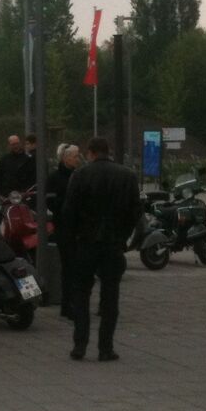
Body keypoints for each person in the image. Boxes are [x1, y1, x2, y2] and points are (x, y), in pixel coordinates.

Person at [59, 136, 142, 361]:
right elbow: (135, 212)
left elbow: (69, 212)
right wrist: (123, 237)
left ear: (91, 152)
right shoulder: (127, 176)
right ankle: (106, 348)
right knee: (110, 296)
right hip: (113, 244)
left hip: (86, 243)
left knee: (81, 294)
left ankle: (80, 344)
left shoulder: (80, 175)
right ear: (109, 151)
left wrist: (72, 241)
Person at [47, 143, 81, 315]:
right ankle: (67, 304)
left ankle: (73, 301)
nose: (78, 159)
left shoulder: (79, 175)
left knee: (76, 266)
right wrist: (66, 205)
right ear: (66, 158)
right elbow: (50, 201)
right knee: (68, 266)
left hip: (78, 227)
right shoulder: (55, 178)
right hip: (63, 227)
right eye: (75, 156)